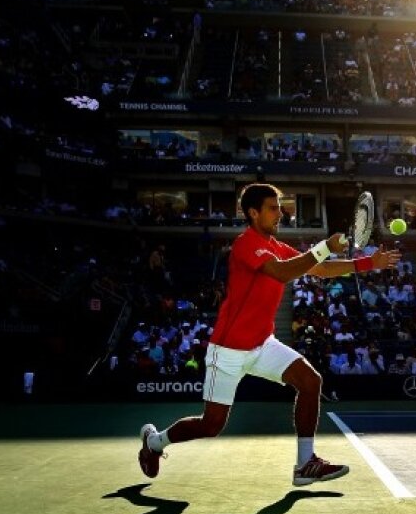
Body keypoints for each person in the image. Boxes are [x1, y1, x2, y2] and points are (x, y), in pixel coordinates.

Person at [137, 183, 401, 486]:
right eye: (273, 208)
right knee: (211, 425)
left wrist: (370, 263)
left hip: (262, 344)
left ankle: (305, 464)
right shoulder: (245, 244)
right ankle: (155, 443)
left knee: (310, 381)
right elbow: (282, 273)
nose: (281, 213)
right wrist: (325, 246)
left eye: (280, 206)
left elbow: (320, 270)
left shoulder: (277, 246)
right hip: (228, 351)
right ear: (253, 213)